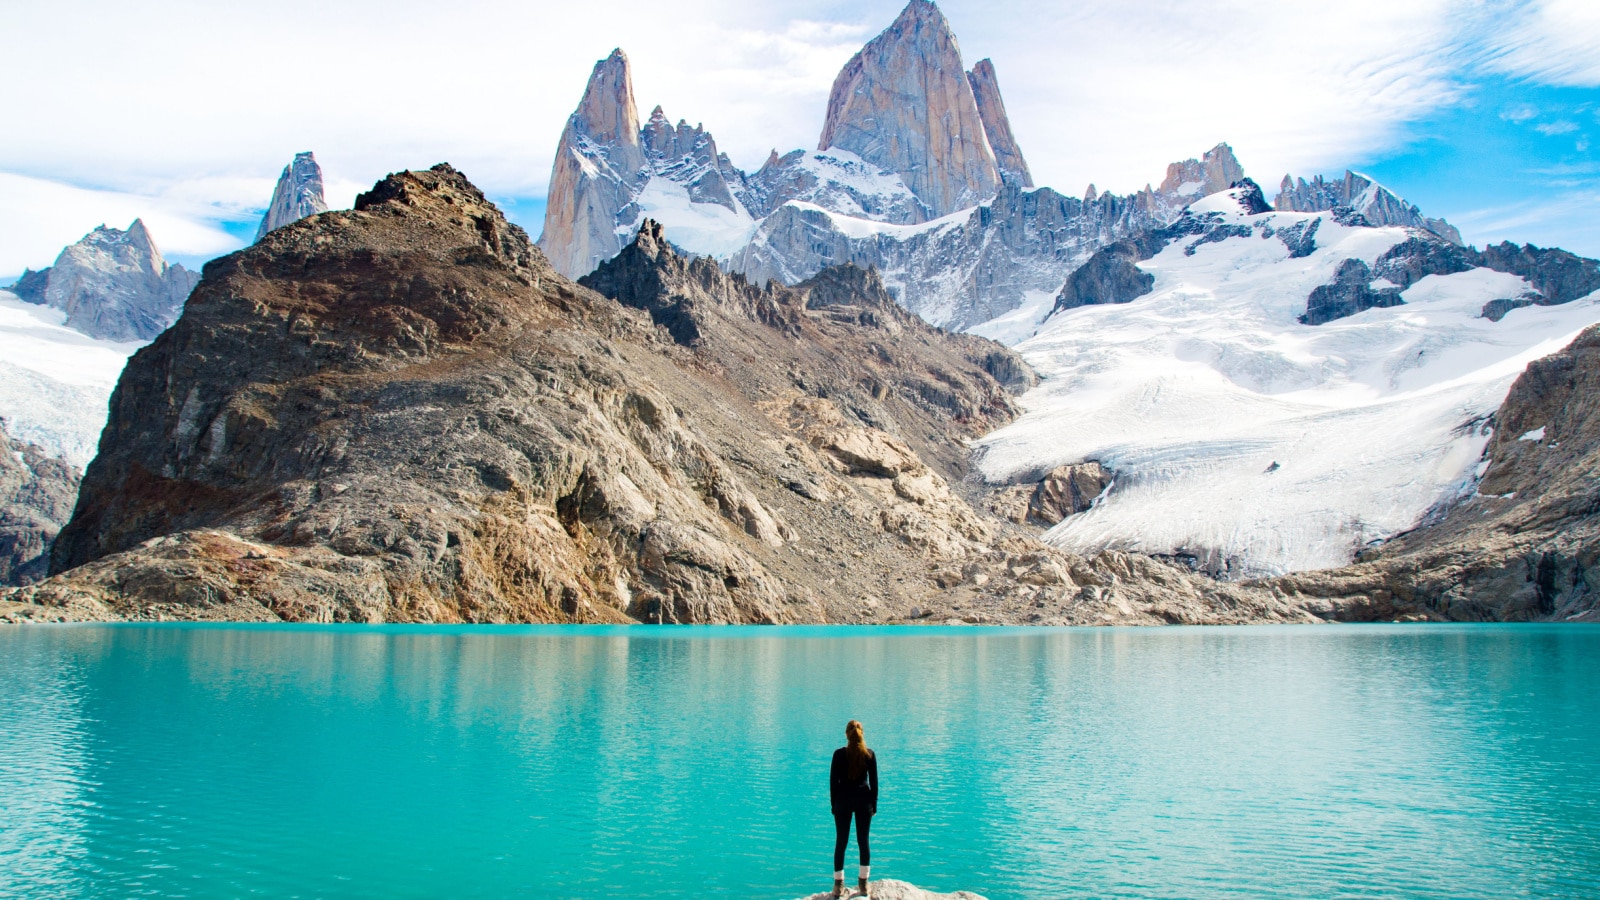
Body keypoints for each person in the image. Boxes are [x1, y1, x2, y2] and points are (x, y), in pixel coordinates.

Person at [829, 720, 878, 898]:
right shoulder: (869, 754)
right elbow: (874, 783)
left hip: (842, 801)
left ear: (846, 734)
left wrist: (833, 804)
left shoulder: (838, 754)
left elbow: (833, 783)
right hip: (864, 801)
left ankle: (838, 887)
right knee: (863, 842)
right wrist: (874, 805)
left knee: (841, 842)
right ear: (862, 733)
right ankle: (863, 885)